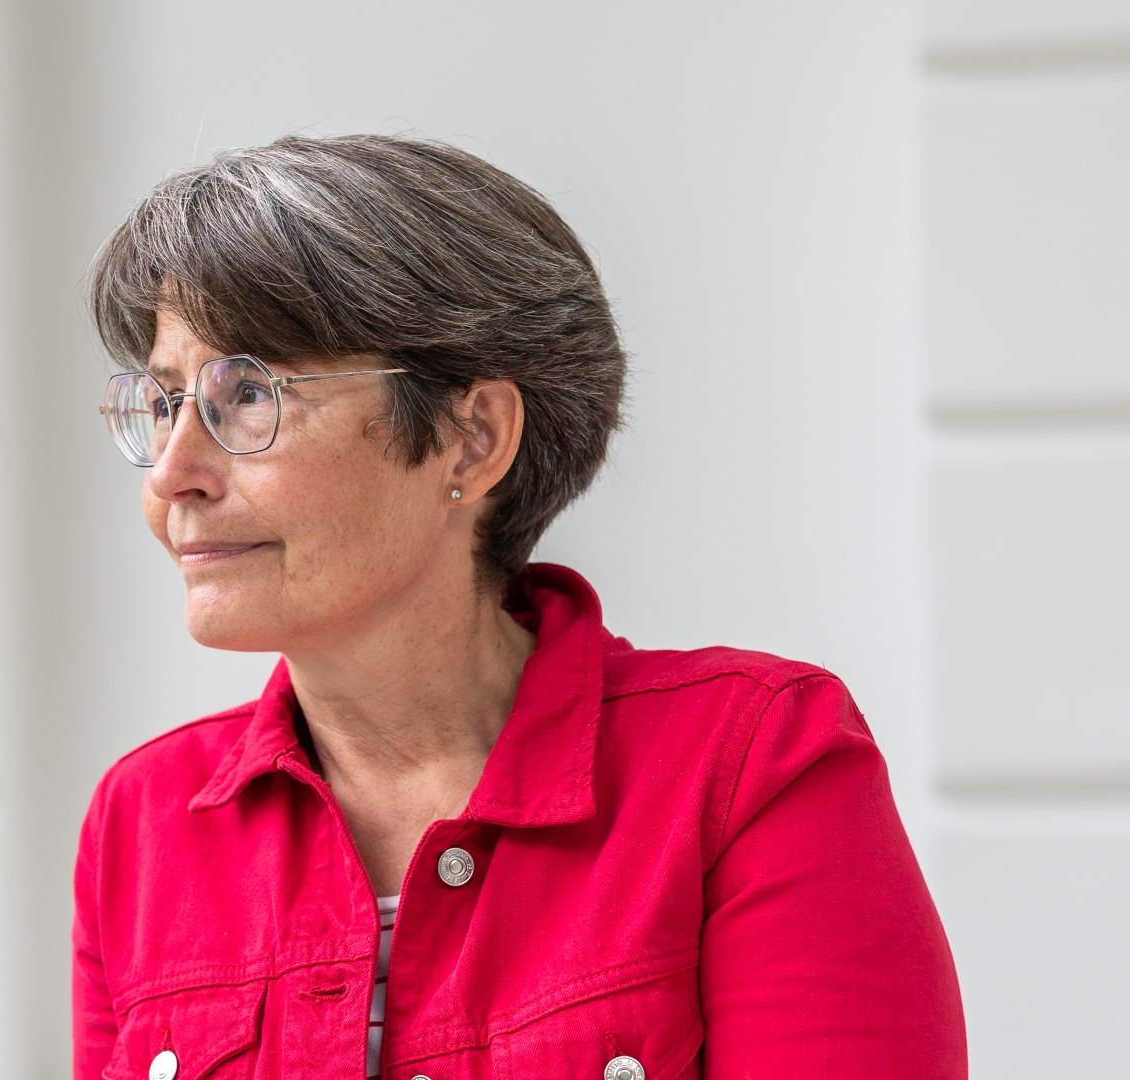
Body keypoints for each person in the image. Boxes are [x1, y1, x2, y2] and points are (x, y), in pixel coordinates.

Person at [72, 132, 966, 1079]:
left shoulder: (753, 768)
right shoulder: (141, 824)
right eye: (166, 403)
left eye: (247, 394)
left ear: (472, 438)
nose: (174, 475)